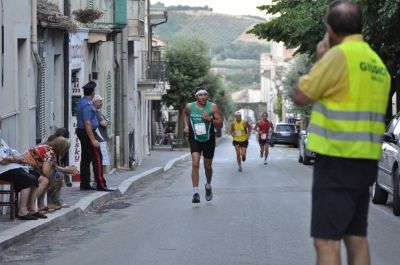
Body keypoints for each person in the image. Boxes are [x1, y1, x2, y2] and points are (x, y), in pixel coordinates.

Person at [293, 1, 391, 265]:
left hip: (337, 160)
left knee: (326, 241)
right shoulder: (376, 63)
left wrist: (320, 58)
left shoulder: (338, 57)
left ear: (330, 29)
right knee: (356, 238)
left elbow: (301, 95)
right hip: (366, 163)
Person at [183, 87, 223, 203]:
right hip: (195, 137)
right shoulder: (190, 106)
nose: (204, 97)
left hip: (209, 138)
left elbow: (220, 123)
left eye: (205, 94)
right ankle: (195, 193)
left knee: (208, 167)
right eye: (201, 95)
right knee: (195, 164)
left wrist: (210, 119)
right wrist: (186, 126)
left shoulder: (213, 107)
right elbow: (185, 114)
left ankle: (208, 185)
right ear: (196, 97)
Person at [24, 136, 77, 215]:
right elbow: (46, 171)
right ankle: (32, 204)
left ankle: (41, 205)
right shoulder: (50, 152)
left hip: (29, 167)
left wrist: (63, 170)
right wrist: (52, 181)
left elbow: (52, 166)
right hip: (26, 168)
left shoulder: (48, 148)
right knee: (46, 180)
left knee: (50, 178)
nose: (66, 152)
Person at [0, 117, 39, 220]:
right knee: (28, 179)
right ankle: (23, 211)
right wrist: (15, 160)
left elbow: (9, 152)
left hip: (11, 166)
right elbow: (2, 160)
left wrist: (17, 158)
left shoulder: (1, 138)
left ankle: (32, 209)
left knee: (36, 176)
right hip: (3, 169)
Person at [76, 81, 112, 192]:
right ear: (92, 92)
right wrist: (93, 140)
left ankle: (85, 183)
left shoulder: (82, 102)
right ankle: (101, 184)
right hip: (88, 133)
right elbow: (87, 123)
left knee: (86, 158)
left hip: (83, 132)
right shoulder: (87, 105)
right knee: (97, 157)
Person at [46, 128, 74, 209]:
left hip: (43, 168)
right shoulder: (49, 149)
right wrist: (65, 170)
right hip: (37, 169)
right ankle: (50, 201)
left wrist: (64, 170)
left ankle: (54, 200)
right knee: (56, 176)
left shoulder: (53, 148)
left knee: (58, 176)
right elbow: (49, 167)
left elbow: (53, 165)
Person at [92, 94, 111, 168]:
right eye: (100, 101)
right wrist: (107, 121)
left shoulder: (98, 112)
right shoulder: (96, 113)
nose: (101, 103)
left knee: (103, 160)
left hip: (102, 139)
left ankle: (99, 176)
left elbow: (106, 122)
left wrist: (107, 121)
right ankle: (99, 176)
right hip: (100, 139)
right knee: (101, 160)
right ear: (95, 102)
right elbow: (104, 123)